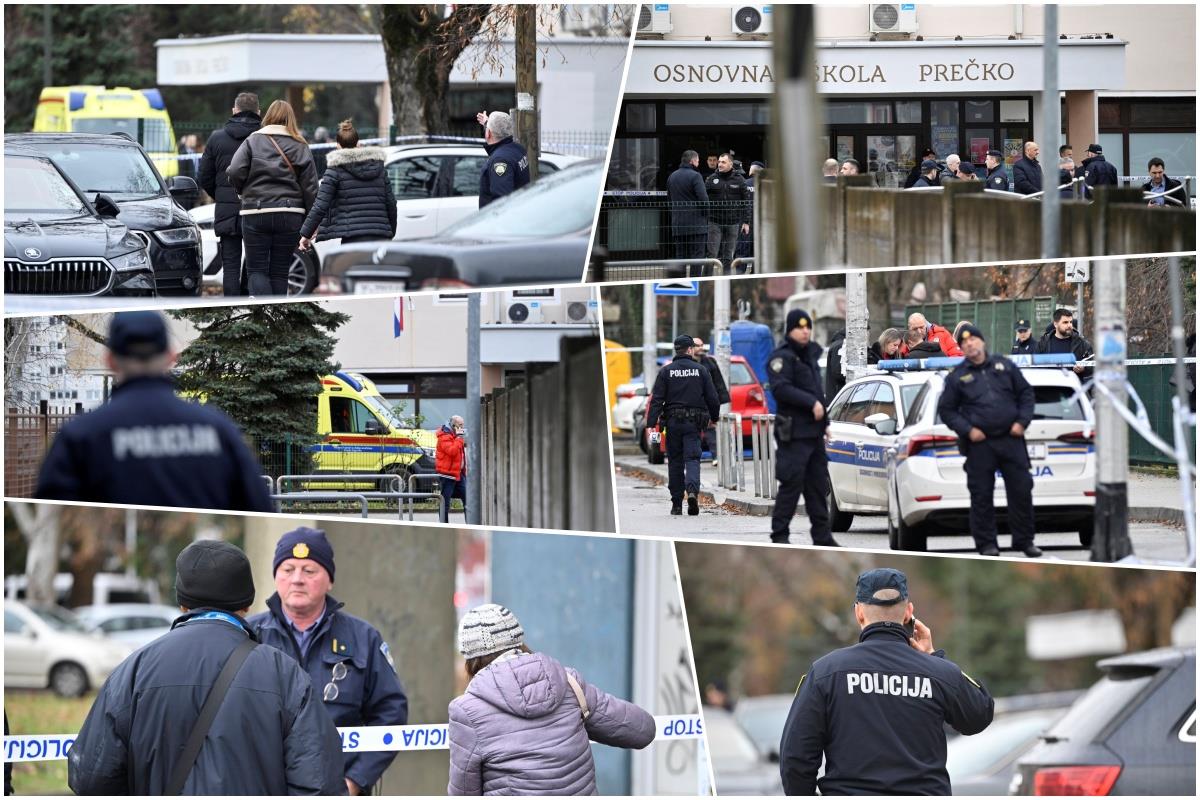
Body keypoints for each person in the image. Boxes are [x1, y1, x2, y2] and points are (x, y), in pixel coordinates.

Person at [67, 540, 346, 795]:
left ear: (182, 602)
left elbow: (90, 778)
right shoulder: (285, 674)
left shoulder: (134, 670)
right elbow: (319, 783)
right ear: (247, 604)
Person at [778, 568, 994, 795]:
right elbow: (979, 715)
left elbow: (795, 759)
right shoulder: (939, 672)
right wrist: (933, 658)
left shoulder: (826, 672)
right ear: (908, 612)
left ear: (859, 613)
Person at [34, 312, 275, 511]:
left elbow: (51, 520)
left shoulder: (79, 436)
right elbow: (260, 507)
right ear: (171, 357)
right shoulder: (218, 429)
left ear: (110, 360)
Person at [249, 527, 409, 796]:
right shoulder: (248, 636)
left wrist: (355, 781)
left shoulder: (363, 638)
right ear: (276, 576)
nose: (297, 579)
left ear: (329, 580)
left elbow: (390, 713)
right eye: (288, 569)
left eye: (309, 571)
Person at [447, 603, 655, 795]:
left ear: (470, 660)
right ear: (519, 642)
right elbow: (642, 730)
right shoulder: (569, 683)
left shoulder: (466, 711)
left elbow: (463, 792)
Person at [937, 325, 1041, 557]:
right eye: (964, 343)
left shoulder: (1004, 366)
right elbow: (947, 410)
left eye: (973, 339)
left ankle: (1024, 541)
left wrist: (1021, 423)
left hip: (1011, 439)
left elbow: (1026, 394)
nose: (970, 344)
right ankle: (987, 545)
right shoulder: (957, 377)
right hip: (980, 444)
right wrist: (968, 430)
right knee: (982, 495)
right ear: (961, 348)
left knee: (1022, 490)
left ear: (982, 342)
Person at [226, 99, 318, 296]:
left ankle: (263, 314)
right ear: (290, 119)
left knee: (257, 270)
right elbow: (311, 187)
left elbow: (234, 170)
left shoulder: (252, 140)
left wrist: (242, 191)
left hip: (256, 212)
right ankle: (278, 318)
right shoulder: (300, 145)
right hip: (290, 214)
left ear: (268, 116)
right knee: (279, 272)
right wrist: (313, 223)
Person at [769, 310, 837, 547]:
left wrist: (825, 423)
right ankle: (779, 535)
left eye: (808, 327)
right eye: (800, 327)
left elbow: (817, 390)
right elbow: (781, 389)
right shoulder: (782, 358)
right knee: (791, 485)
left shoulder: (809, 355)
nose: (805, 331)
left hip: (814, 433)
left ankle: (822, 536)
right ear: (789, 330)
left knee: (818, 487)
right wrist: (812, 404)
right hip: (794, 434)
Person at [647, 335, 720, 515]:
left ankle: (677, 503)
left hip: (672, 424)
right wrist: (715, 417)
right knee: (692, 459)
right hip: (693, 424)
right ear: (689, 350)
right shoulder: (700, 370)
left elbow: (657, 400)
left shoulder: (666, 371)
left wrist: (651, 423)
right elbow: (713, 397)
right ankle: (693, 492)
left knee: (675, 462)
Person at [298, 119, 397, 251]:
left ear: (338, 145)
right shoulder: (379, 169)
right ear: (359, 144)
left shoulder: (334, 171)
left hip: (352, 240)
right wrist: (390, 231)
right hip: (381, 238)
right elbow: (391, 203)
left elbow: (320, 206)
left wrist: (306, 234)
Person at [198, 92, 260, 296]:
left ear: (234, 110)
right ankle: (251, 307)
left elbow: (204, 176)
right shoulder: (264, 138)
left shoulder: (217, 138)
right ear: (259, 112)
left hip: (226, 209)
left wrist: (221, 196)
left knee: (231, 266)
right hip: (257, 207)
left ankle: (232, 307)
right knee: (254, 264)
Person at [705, 153, 751, 274]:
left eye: (723, 162)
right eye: (719, 162)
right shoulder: (711, 179)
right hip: (715, 222)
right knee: (712, 255)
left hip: (733, 223)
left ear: (731, 164)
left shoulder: (740, 180)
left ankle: (726, 281)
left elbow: (746, 202)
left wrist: (746, 222)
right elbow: (704, 198)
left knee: (728, 255)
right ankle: (706, 281)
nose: (720, 164)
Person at [474, 110, 530, 207]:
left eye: (486, 129)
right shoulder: (518, 149)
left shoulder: (500, 161)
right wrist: (488, 123)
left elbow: (501, 202)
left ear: (488, 134)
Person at [666, 150, 710, 269]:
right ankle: (695, 282)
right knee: (697, 258)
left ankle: (682, 283)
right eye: (698, 161)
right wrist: (706, 216)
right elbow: (704, 199)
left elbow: (669, 201)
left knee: (681, 257)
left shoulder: (672, 176)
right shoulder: (696, 176)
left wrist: (675, 216)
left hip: (678, 225)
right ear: (692, 161)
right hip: (697, 226)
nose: (698, 163)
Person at [1035, 307, 1093, 383]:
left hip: (1072, 390)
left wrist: (1083, 369)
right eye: (1065, 322)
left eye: (1070, 322)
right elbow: (1035, 366)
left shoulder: (1082, 344)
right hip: (1048, 390)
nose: (1069, 325)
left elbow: (1093, 366)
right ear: (1055, 324)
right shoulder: (1043, 343)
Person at [437, 415, 468, 523]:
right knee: (445, 503)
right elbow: (452, 451)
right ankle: (444, 526)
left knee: (468, 502)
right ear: (453, 425)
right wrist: (459, 438)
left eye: (463, 425)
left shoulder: (456, 436)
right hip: (447, 475)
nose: (462, 428)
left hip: (459, 474)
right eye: (460, 425)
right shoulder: (444, 436)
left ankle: (470, 525)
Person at [693, 339, 731, 405]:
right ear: (690, 348)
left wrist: (722, 398)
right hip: (694, 400)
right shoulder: (686, 363)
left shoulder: (710, 361)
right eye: (697, 346)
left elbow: (718, 381)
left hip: (710, 400)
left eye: (702, 345)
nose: (701, 348)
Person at [824, 328, 846, 399]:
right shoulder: (839, 346)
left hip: (836, 395)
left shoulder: (837, 344)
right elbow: (838, 372)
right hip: (837, 396)